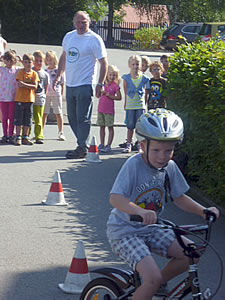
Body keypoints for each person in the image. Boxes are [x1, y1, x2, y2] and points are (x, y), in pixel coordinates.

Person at [106, 108, 220, 300]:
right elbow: (115, 198)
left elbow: (180, 197)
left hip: (153, 228)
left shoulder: (169, 167)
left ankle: (156, 285)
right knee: (151, 277)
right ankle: (152, 283)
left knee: (191, 253)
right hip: (125, 231)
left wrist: (204, 211)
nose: (163, 156)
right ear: (142, 146)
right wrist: (139, 212)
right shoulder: (133, 165)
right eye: (157, 150)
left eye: (169, 150)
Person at [54, 10, 108, 159]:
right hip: (70, 83)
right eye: (78, 22)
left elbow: (104, 62)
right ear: (73, 23)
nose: (80, 25)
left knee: (82, 118)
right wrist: (58, 75)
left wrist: (100, 84)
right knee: (71, 117)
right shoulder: (69, 37)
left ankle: (82, 147)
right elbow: (64, 56)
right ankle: (83, 144)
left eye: (83, 22)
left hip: (85, 83)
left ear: (89, 22)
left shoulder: (94, 39)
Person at [122, 55, 149, 153]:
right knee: (130, 126)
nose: (135, 66)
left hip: (140, 105)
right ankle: (129, 143)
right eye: (133, 64)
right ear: (129, 65)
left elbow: (146, 92)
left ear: (140, 65)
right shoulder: (126, 78)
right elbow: (125, 92)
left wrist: (144, 104)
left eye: (137, 64)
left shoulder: (144, 78)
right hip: (130, 105)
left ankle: (139, 144)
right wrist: (125, 103)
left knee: (140, 126)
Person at [14, 53, 39, 146]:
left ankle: (25, 137)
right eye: (25, 62)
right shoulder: (21, 72)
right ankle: (18, 137)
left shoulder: (34, 74)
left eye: (29, 62)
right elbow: (19, 83)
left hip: (30, 100)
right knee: (19, 119)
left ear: (32, 63)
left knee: (27, 120)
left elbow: (35, 86)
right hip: (20, 99)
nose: (28, 64)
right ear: (23, 63)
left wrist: (25, 85)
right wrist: (29, 85)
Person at [97, 65, 121, 153]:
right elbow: (97, 95)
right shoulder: (103, 84)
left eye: (114, 75)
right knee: (101, 127)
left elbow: (119, 97)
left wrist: (109, 95)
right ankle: (102, 143)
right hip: (101, 109)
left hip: (109, 110)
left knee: (110, 127)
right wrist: (100, 91)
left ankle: (109, 145)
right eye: (110, 75)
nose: (112, 77)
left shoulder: (115, 86)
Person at [43, 50, 65, 141]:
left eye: (51, 59)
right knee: (44, 113)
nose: (50, 62)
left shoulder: (58, 71)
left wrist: (62, 94)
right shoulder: (45, 71)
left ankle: (61, 132)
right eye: (48, 60)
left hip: (56, 94)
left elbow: (62, 83)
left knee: (58, 113)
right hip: (46, 94)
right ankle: (40, 131)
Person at [0, 50, 20, 144]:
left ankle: (11, 134)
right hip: (3, 97)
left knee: (11, 117)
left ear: (14, 61)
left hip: (12, 97)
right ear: (4, 60)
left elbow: (27, 68)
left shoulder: (16, 70)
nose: (9, 62)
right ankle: (5, 134)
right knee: (4, 117)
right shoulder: (2, 69)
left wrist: (19, 60)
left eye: (11, 60)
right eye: (7, 60)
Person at [32, 50, 50, 144]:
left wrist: (44, 96)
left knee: (38, 117)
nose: (38, 63)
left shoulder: (45, 74)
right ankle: (25, 135)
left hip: (40, 99)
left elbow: (46, 86)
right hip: (29, 98)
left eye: (40, 61)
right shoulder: (30, 71)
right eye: (36, 60)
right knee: (28, 118)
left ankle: (39, 135)